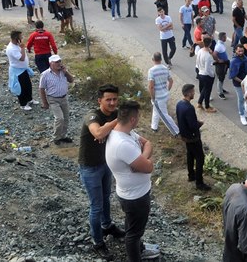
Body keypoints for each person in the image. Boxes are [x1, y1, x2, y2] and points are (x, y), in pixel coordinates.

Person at [105, 101, 159, 261]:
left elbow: (148, 143)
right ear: (133, 119)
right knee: (134, 234)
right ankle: (136, 256)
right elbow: (149, 167)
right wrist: (144, 161)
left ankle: (139, 248)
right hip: (135, 197)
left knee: (132, 227)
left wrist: (140, 159)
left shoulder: (124, 132)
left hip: (131, 193)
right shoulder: (122, 144)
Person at [78, 84, 125, 260]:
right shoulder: (92, 115)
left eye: (115, 99)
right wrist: (117, 121)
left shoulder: (115, 113)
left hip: (106, 164)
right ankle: (97, 242)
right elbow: (97, 133)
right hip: (89, 167)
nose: (112, 103)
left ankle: (107, 226)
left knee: (106, 198)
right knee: (96, 206)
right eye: (108, 99)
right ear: (100, 101)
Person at [175, 84, 211, 191]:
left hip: (185, 136)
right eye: (193, 92)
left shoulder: (179, 104)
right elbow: (192, 125)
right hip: (193, 137)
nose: (194, 93)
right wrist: (199, 124)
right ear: (189, 93)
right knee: (200, 158)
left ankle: (191, 175)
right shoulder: (189, 108)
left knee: (190, 155)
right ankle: (199, 183)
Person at [39, 54, 74, 145]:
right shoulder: (45, 74)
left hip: (64, 98)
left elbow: (71, 80)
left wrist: (66, 72)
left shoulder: (63, 71)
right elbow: (41, 88)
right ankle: (56, 137)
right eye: (56, 62)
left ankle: (63, 136)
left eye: (59, 61)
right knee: (59, 118)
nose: (59, 63)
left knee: (66, 118)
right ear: (51, 63)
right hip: (53, 99)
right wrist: (45, 102)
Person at [147, 52, 180, 135]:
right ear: (161, 59)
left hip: (158, 97)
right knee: (156, 110)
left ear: (153, 59)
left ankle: (176, 131)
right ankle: (154, 127)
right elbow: (171, 81)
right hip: (165, 95)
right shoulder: (165, 68)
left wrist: (152, 97)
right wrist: (167, 90)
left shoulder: (151, 71)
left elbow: (151, 86)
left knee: (164, 114)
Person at [6, 31, 38, 111]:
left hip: (23, 69)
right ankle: (23, 104)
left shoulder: (17, 45)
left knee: (28, 85)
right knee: (21, 87)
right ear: (16, 39)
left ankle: (30, 99)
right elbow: (22, 58)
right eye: (20, 37)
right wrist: (23, 48)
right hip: (17, 70)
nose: (22, 38)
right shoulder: (11, 48)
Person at [196, 37, 217, 113]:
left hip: (200, 72)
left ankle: (199, 102)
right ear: (210, 44)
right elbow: (207, 69)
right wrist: (212, 75)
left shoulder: (200, 51)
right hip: (206, 75)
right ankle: (207, 106)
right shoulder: (208, 56)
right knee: (208, 91)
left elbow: (197, 62)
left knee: (204, 89)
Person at [230, 45, 247, 125]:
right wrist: (243, 82)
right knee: (241, 98)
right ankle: (241, 115)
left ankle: (244, 111)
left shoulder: (244, 58)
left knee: (245, 98)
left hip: (245, 81)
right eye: (239, 51)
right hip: (238, 83)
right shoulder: (234, 61)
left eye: (242, 51)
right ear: (235, 51)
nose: (241, 53)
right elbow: (233, 76)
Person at [213, 32, 230, 100]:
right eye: (225, 37)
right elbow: (214, 54)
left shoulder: (221, 44)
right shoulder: (219, 45)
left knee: (222, 77)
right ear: (223, 37)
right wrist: (218, 60)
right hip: (220, 65)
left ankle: (221, 89)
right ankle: (220, 93)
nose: (226, 38)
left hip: (224, 64)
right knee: (220, 78)